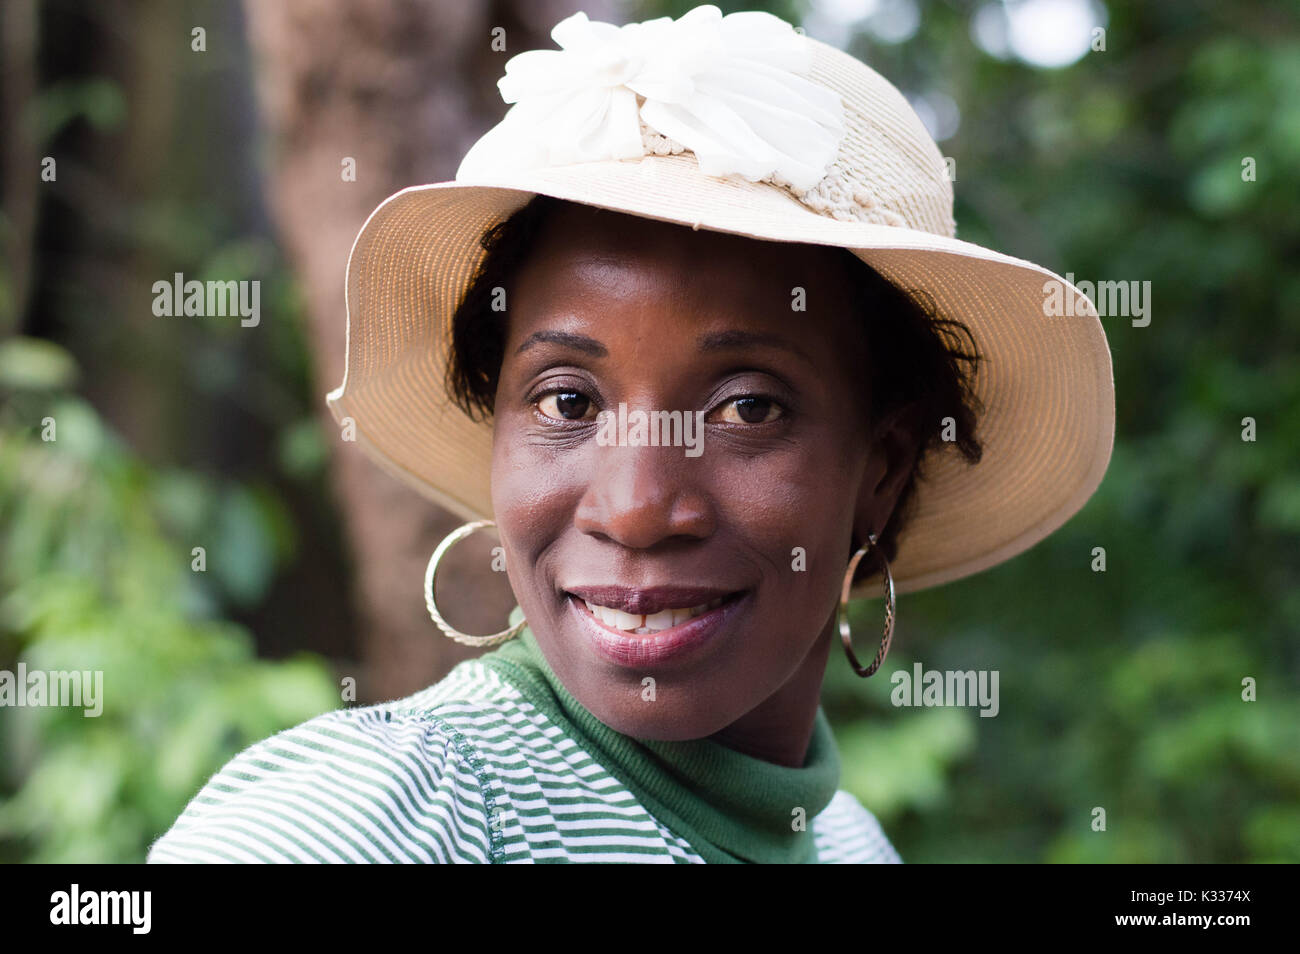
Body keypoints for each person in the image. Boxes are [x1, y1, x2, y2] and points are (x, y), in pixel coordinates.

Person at [148, 3, 1113, 864]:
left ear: (883, 471)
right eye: (567, 402)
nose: (637, 507)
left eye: (747, 408)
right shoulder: (383, 814)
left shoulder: (854, 846)